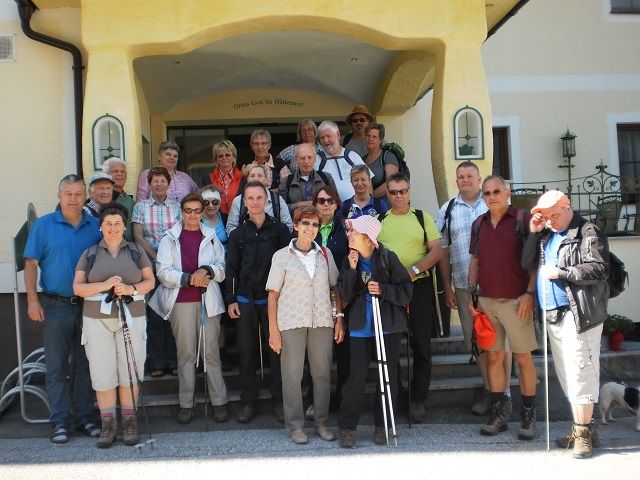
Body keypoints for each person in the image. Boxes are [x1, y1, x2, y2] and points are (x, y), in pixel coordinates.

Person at [522, 190, 610, 458]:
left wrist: (562, 273)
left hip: (578, 312)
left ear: (568, 208)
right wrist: (534, 231)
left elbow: (599, 268)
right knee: (566, 374)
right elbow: (526, 262)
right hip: (552, 313)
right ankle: (585, 428)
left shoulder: (587, 231)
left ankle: (582, 434)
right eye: (545, 216)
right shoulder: (546, 234)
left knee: (580, 371)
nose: (549, 220)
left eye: (553, 215)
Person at [24, 174, 103, 444]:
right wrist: (32, 300)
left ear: (85, 196)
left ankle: (83, 417)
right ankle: (59, 421)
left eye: (78, 194)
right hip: (55, 305)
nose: (73, 199)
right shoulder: (44, 225)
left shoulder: (95, 225)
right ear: (59, 196)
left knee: (85, 365)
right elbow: (31, 264)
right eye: (68, 193)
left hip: (89, 305)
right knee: (56, 367)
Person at [72, 202, 155, 448]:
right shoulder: (90, 253)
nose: (113, 228)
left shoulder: (135, 251)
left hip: (132, 317)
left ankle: (130, 423)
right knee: (102, 372)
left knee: (130, 370)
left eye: (117, 223)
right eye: (108, 223)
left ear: (124, 226)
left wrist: (130, 288)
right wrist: (104, 285)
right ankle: (108, 426)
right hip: (97, 321)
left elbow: (149, 281)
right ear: (100, 227)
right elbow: (77, 288)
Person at [436, 161, 512, 416]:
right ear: (456, 181)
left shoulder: (493, 203)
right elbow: (443, 252)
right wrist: (446, 287)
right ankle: (492, 393)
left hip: (496, 285)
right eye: (460, 177)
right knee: (478, 342)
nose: (465, 180)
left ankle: (506, 395)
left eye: (470, 176)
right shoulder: (446, 210)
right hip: (463, 287)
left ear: (479, 179)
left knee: (501, 340)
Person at [266, 205, 345, 445]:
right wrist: (273, 330)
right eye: (306, 223)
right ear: (296, 226)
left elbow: (334, 288)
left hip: (322, 320)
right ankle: (295, 426)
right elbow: (272, 295)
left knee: (321, 373)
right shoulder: (281, 256)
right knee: (292, 374)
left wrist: (339, 318)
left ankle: (321, 422)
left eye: (315, 224)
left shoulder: (325, 254)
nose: (310, 228)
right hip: (290, 321)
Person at [149, 193, 229, 425]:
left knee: (211, 354)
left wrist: (207, 271)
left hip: (208, 302)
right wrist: (187, 278)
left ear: (202, 212)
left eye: (197, 210)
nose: (193, 215)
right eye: (188, 210)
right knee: (186, 356)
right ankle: (186, 404)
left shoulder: (212, 237)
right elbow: (162, 272)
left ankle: (220, 402)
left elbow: (222, 269)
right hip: (181, 302)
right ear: (181, 213)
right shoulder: (169, 238)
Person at [468, 175, 538, 440]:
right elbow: (475, 262)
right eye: (487, 193)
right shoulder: (479, 224)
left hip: (515, 302)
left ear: (507, 193)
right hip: (487, 302)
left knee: (523, 359)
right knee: (495, 358)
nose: (492, 196)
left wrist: (529, 294)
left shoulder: (522, 220)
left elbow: (534, 263)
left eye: (497, 191)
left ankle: (529, 416)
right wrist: (471, 296)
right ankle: (499, 414)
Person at [337, 215, 413, 448]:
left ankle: (384, 425)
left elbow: (406, 291)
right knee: (356, 377)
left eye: (354, 232)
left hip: (387, 325)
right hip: (361, 325)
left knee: (387, 376)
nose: (349, 235)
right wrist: (351, 270)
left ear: (369, 238)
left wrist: (383, 289)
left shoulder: (388, 258)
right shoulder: (350, 259)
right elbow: (345, 295)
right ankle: (347, 428)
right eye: (349, 231)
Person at [377, 172, 443, 423]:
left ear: (409, 192)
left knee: (421, 346)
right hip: (390, 290)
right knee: (391, 345)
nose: (398, 196)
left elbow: (436, 250)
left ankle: (418, 399)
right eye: (393, 192)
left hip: (419, 286)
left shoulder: (421, 217)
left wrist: (413, 270)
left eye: (403, 191)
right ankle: (398, 394)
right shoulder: (380, 219)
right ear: (388, 194)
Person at [225, 181, 291, 423]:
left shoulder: (280, 231)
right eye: (250, 198)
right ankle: (248, 402)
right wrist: (231, 299)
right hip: (245, 299)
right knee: (246, 353)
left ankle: (279, 402)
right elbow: (231, 268)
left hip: (274, 301)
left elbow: (289, 266)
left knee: (277, 352)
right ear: (244, 202)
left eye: (259, 198)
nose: (254, 202)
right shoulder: (238, 234)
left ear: (266, 201)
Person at [131, 166, 181, 377]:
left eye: (163, 181)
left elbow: (180, 234)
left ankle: (173, 360)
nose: (159, 184)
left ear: (169, 184)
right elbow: (138, 237)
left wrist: (167, 261)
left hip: (172, 269)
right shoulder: (140, 207)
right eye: (155, 181)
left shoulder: (178, 206)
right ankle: (157, 361)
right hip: (150, 267)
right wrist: (156, 258)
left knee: (172, 314)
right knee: (154, 314)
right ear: (149, 185)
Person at [312, 186, 350, 411]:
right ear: (314, 204)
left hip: (341, 294)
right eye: (321, 200)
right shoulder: (308, 228)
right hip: (314, 297)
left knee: (343, 349)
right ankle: (317, 401)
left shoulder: (346, 228)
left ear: (337, 204)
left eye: (330, 200)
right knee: (317, 352)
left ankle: (343, 399)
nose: (326, 204)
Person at [226, 162, 293, 234]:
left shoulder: (277, 200)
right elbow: (230, 229)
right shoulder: (238, 201)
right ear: (247, 179)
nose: (256, 179)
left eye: (260, 175)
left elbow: (288, 227)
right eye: (252, 176)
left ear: (266, 179)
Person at [315, 120, 370, 202]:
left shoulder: (352, 156)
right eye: (322, 137)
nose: (325, 140)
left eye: (328, 136)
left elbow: (368, 181)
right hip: (329, 210)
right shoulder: (316, 160)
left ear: (338, 135)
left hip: (356, 208)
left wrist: (369, 203)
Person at [278, 143, 336, 213]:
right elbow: (280, 208)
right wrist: (297, 205)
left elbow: (335, 203)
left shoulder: (326, 178)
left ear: (315, 159)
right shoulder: (286, 182)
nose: (306, 161)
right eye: (302, 158)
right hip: (296, 222)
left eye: (309, 157)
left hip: (322, 221)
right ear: (296, 160)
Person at [203, 140, 243, 215]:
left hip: (238, 220)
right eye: (220, 156)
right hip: (216, 220)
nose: (224, 158)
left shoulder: (243, 178)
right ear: (216, 159)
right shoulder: (207, 179)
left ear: (234, 157)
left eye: (227, 155)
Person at [362, 123, 399, 207]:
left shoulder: (388, 156)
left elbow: (391, 182)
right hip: (369, 209)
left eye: (374, 137)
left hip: (387, 207)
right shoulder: (362, 160)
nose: (370, 139)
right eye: (368, 136)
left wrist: (370, 197)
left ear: (380, 139)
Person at [102, 157, 135, 241]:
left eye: (122, 171)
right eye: (115, 171)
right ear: (106, 175)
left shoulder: (130, 201)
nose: (119, 174)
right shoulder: (102, 199)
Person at [199, 185, 228, 252]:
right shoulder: (197, 221)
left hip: (225, 259)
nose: (211, 206)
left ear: (219, 203)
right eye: (206, 202)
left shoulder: (226, 219)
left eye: (215, 202)